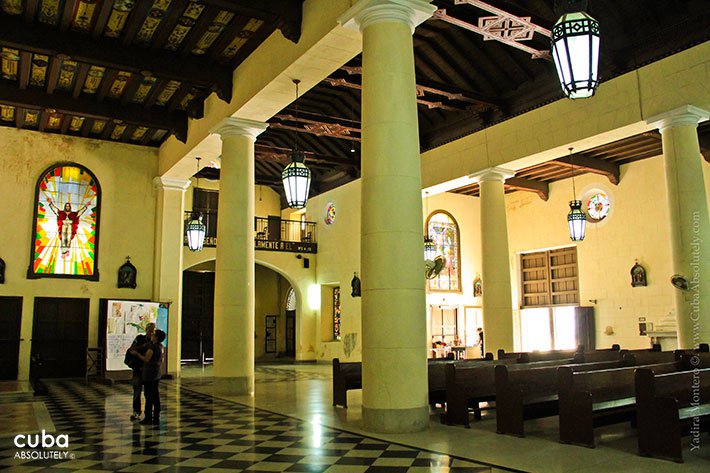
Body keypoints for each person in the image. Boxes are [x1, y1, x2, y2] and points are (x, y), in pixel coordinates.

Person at [131, 329, 166, 425]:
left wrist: (137, 354)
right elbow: (161, 360)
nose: (152, 335)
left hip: (149, 374)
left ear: (156, 337)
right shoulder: (161, 347)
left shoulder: (152, 347)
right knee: (155, 395)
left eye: (153, 334)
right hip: (157, 373)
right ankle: (156, 417)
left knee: (149, 395)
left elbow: (146, 359)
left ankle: (148, 417)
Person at [128, 323, 155, 420]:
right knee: (137, 391)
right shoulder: (139, 339)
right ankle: (136, 411)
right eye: (150, 331)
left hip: (149, 371)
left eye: (153, 331)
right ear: (146, 330)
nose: (151, 333)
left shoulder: (154, 343)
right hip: (138, 369)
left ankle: (149, 412)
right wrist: (142, 347)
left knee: (149, 392)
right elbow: (131, 349)